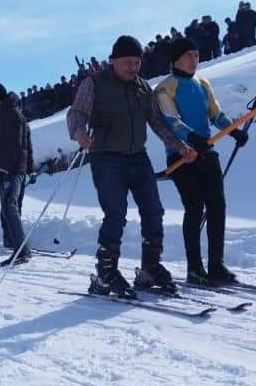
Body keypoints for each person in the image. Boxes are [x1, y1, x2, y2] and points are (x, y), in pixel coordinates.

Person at [67, 35, 195, 298]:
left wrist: (179, 145)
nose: (133, 68)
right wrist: (79, 132)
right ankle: (106, 271)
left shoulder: (142, 87)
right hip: (106, 158)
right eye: (127, 62)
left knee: (153, 210)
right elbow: (77, 113)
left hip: (138, 156)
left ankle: (150, 267)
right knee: (115, 214)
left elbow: (157, 122)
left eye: (137, 62)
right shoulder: (94, 83)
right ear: (113, 60)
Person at [154, 38, 247, 285]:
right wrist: (192, 138)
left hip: (207, 152)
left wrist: (233, 131)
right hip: (182, 155)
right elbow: (171, 120)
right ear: (175, 59)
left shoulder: (203, 83)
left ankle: (216, 264)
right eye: (188, 55)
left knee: (217, 206)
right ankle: (194, 269)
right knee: (194, 208)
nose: (194, 60)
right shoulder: (165, 88)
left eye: (196, 55)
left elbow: (215, 114)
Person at [0, 81, 32, 266]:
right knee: (8, 206)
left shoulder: (12, 115)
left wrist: (3, 169)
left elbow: (16, 145)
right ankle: (12, 241)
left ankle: (22, 250)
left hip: (11, 169)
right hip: (2, 170)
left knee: (9, 206)